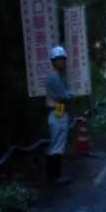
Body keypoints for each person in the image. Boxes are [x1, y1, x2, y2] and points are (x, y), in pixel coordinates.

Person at [45, 44, 72, 185]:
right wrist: (70, 95)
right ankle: (55, 176)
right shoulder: (54, 77)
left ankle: (54, 175)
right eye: (60, 59)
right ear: (53, 61)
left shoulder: (58, 76)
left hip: (58, 111)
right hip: (56, 112)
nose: (63, 61)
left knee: (58, 144)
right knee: (57, 145)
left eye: (63, 58)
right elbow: (64, 96)